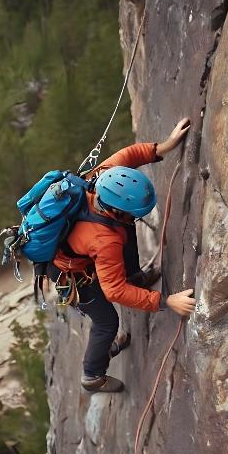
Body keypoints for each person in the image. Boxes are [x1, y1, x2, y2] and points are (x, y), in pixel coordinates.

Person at [50, 117, 196, 393]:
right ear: (115, 209)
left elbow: (129, 154)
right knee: (107, 321)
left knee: (125, 232)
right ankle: (92, 375)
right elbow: (115, 291)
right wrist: (166, 302)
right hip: (67, 270)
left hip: (80, 247)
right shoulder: (103, 240)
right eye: (132, 212)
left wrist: (165, 146)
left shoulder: (104, 177)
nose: (136, 217)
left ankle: (135, 277)